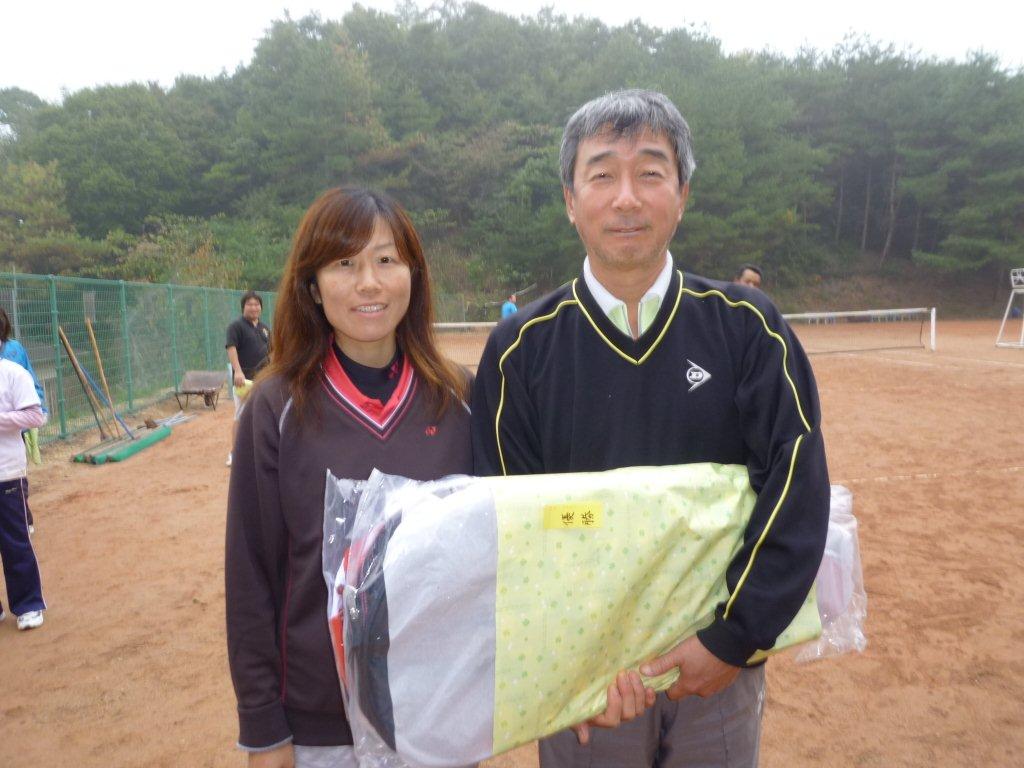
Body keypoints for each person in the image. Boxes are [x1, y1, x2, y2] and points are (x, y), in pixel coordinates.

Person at [472, 90, 830, 767]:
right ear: (570, 200)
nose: (626, 198)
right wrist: (570, 673)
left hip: (717, 674)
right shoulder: (519, 350)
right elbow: (502, 527)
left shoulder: (749, 328)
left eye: (650, 173)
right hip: (586, 690)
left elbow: (796, 487)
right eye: (603, 174)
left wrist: (733, 639)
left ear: (683, 194)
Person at [225, 187, 473, 768]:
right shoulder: (275, 408)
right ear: (312, 285)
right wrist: (263, 729)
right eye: (344, 263)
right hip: (321, 731)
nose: (369, 283)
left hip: (439, 716)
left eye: (386, 260)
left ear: (413, 275)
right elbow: (251, 574)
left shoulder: (461, 398)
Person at [0, 356, 47, 630]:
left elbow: (34, 416)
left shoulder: (12, 373)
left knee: (14, 541)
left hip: (6, 472)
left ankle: (28, 605)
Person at [0, 307, 45, 534]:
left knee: (15, 473)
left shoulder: (14, 352)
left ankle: (24, 519)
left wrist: (40, 405)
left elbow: (30, 379)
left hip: (20, 415)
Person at [225, 291, 271, 467]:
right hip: (244, 381)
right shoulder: (236, 326)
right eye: (250, 304)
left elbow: (272, 352)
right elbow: (231, 348)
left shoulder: (264, 329)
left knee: (263, 414)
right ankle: (235, 453)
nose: (254, 307)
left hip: (263, 379)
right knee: (241, 414)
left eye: (257, 304)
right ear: (243, 307)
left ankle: (259, 451)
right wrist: (237, 371)